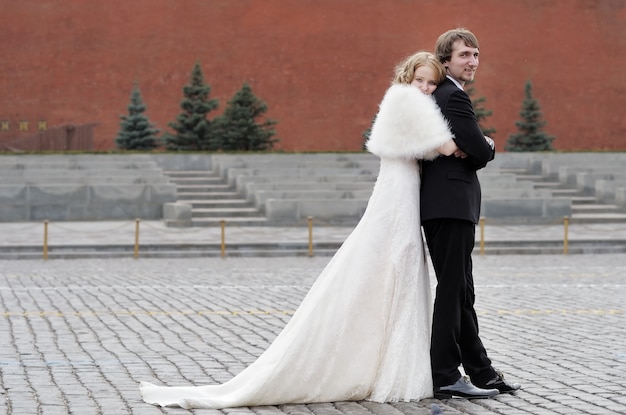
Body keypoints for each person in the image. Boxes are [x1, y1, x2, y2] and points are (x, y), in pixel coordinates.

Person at [140, 51, 456, 409]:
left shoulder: (402, 100)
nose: (427, 88)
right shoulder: (408, 100)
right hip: (399, 194)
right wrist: (481, 143)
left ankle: (387, 362)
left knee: (390, 268)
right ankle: (390, 367)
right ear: (408, 77)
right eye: (421, 80)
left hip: (399, 189)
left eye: (432, 83)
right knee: (396, 264)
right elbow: (445, 146)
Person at [420, 28, 522, 399]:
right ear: (445, 60)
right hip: (450, 205)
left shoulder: (443, 95)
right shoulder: (452, 98)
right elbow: (478, 151)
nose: (473, 62)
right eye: (464, 55)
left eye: (476, 55)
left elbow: (470, 147)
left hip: (447, 206)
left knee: (461, 291)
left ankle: (481, 371)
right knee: (452, 292)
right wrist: (487, 144)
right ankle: (445, 373)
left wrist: (475, 145)